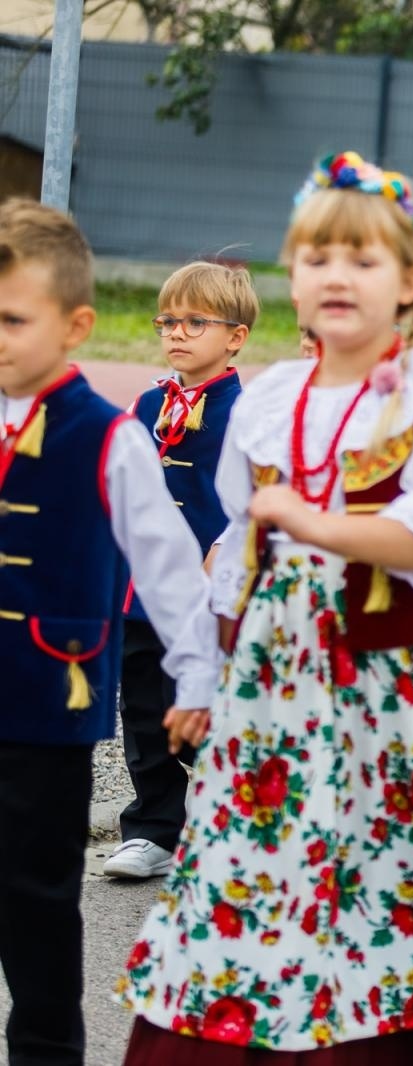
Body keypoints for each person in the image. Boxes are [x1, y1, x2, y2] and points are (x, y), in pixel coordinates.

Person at [119, 151, 413, 1061]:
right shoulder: (271, 399)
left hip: (399, 688)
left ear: (410, 282)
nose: (337, 277)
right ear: (293, 280)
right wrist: (201, 672)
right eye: (317, 258)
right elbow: (235, 552)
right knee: (256, 878)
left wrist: (314, 522)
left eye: (363, 260)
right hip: (275, 685)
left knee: (392, 893)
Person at [0, 200, 220, 1066]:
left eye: (16, 319)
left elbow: (169, 572)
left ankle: (47, 1051)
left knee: (36, 894)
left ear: (76, 324)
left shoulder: (111, 438)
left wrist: (197, 681)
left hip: (50, 706)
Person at [105, 263, 254, 883]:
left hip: (211, 594)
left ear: (235, 337)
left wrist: (225, 552)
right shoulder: (147, 402)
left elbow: (249, 501)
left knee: (210, 713)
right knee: (142, 710)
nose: (178, 333)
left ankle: (238, 819)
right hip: (143, 590)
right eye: (168, 320)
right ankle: (155, 830)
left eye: (196, 322)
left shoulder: (246, 411)